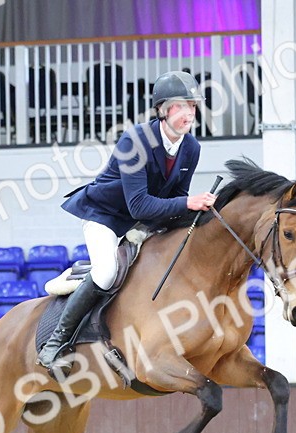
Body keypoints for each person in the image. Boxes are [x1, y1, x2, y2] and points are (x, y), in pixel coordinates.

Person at [37, 71, 218, 373]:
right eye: (180, 106)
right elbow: (139, 205)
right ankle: (55, 343)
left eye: (193, 106)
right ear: (162, 111)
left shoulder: (191, 148)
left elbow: (177, 197)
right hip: (107, 216)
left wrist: (206, 212)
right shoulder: (134, 141)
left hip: (145, 219)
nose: (189, 112)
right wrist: (187, 203)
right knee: (107, 273)